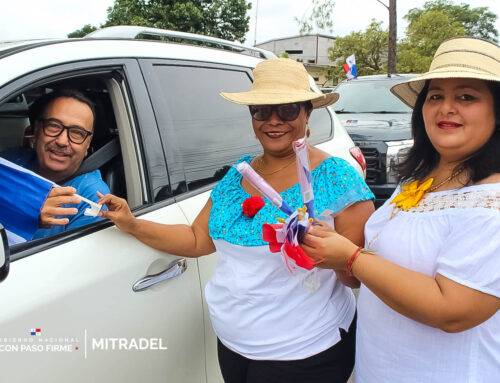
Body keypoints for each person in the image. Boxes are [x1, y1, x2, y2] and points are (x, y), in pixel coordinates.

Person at [97, 58, 374, 383]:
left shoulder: (336, 178)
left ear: (307, 113)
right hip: (233, 342)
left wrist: (332, 256)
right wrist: (131, 223)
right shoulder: (237, 175)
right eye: (261, 111)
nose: (273, 121)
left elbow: (359, 276)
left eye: (287, 110)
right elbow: (198, 239)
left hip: (304, 349)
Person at [302, 36, 500, 382]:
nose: (446, 107)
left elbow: (453, 310)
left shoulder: (491, 203)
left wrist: (351, 258)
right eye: (436, 95)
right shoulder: (419, 179)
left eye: (466, 97)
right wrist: (341, 259)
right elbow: (390, 261)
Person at [0, 89, 109, 242]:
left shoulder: (93, 198)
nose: (62, 141)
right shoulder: (11, 162)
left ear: (87, 145)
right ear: (37, 130)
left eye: (77, 133)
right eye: (54, 126)